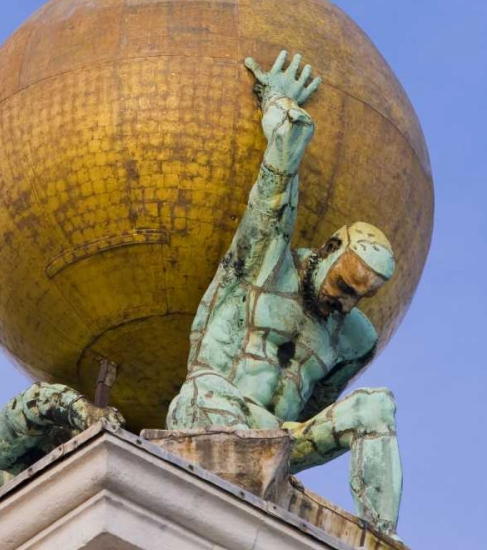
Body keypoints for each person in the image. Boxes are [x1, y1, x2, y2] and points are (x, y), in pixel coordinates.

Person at [167, 49, 403, 540]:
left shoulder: (355, 340)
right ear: (329, 250)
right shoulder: (267, 265)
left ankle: (382, 539)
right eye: (343, 286)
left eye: (358, 298)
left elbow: (318, 405)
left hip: (277, 437)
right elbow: (275, 187)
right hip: (212, 411)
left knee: (375, 407)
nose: (344, 303)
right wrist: (277, 100)